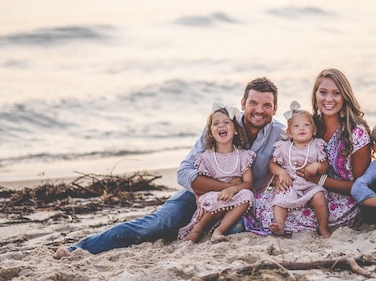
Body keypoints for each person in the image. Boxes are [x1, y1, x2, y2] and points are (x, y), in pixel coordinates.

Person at [54, 77, 284, 258]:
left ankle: (195, 229)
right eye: (253, 103)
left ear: (275, 108)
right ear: (243, 103)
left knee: (236, 231)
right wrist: (227, 186)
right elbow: (184, 173)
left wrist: (237, 190)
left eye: (267, 105)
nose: (259, 110)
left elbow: (302, 159)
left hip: (239, 204)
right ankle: (80, 248)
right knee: (158, 224)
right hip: (196, 196)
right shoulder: (222, 125)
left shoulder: (280, 135)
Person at [244, 68, 372, 235]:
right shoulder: (310, 126)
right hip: (301, 189)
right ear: (315, 95)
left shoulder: (356, 133)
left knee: (275, 215)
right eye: (323, 92)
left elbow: (360, 187)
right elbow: (287, 157)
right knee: (260, 203)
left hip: (340, 201)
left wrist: (319, 180)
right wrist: (280, 176)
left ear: (345, 96)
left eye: (336, 93)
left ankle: (320, 227)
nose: (329, 99)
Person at [177, 103, 255, 243]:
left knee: (247, 195)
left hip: (235, 198)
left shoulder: (243, 156)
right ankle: (198, 229)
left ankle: (219, 231)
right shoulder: (206, 157)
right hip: (213, 199)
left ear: (236, 130)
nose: (221, 126)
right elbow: (201, 185)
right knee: (215, 198)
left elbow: (248, 183)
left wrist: (232, 189)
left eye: (226, 122)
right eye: (216, 123)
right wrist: (201, 198)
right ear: (210, 132)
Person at [269, 101, 331, 238]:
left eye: (306, 125)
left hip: (310, 185)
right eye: (296, 126)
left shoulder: (316, 145)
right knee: (279, 200)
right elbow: (272, 164)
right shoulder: (284, 147)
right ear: (289, 133)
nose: (301, 128)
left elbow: (325, 166)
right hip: (291, 184)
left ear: (314, 130)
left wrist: (317, 166)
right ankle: (279, 224)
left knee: (319, 197)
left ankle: (323, 227)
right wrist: (281, 172)